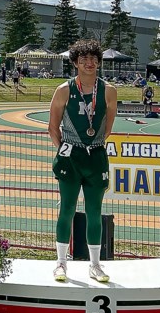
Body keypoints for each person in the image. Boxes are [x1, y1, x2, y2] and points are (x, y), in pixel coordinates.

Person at [48, 38, 118, 284]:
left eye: (93, 59)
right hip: (71, 156)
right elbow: (52, 127)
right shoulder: (64, 89)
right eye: (83, 59)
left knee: (94, 211)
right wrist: (66, 150)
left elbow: (108, 127)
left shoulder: (108, 90)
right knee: (66, 208)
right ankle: (60, 263)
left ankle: (95, 265)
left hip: (96, 155)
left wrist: (92, 144)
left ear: (99, 62)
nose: (89, 63)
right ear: (75, 63)